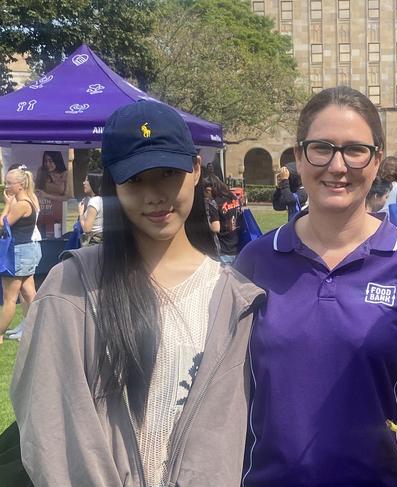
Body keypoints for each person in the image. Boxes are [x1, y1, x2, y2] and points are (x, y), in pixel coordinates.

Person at [11, 101, 264, 486]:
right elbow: (51, 427)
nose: (154, 196)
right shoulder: (72, 287)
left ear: (196, 170)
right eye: (135, 179)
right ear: (113, 183)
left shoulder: (235, 300)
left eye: (167, 173)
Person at [235, 86, 397, 487]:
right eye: (321, 148)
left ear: (376, 159)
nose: (337, 166)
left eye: (355, 150)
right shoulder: (255, 262)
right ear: (299, 155)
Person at [0, 166, 41, 344]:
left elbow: (2, 225)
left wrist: (7, 205)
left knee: (9, 299)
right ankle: (43, 329)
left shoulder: (22, 204)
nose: (5, 186)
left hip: (18, 252)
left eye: (9, 183)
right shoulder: (29, 200)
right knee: (30, 295)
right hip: (26, 251)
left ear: (20, 185)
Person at [206, 176, 243, 264]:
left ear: (212, 188)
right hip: (237, 245)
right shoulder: (233, 198)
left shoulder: (214, 203)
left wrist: (203, 226)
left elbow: (216, 228)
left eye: (207, 191)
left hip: (223, 249)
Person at [78, 170, 103, 246]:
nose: (84, 183)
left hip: (94, 243)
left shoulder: (94, 201)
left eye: (87, 180)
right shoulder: (102, 199)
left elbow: (87, 229)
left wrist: (81, 214)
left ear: (94, 182)